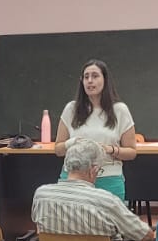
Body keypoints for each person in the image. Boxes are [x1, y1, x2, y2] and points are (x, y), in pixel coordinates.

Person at [32, 137, 150, 241]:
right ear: (93, 169)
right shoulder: (106, 200)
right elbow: (143, 234)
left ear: (67, 167)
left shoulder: (41, 195)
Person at [53, 59, 137, 201]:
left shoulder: (120, 110)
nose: (90, 81)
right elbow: (58, 150)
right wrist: (71, 143)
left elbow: (131, 152)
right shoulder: (71, 109)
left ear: (105, 80)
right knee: (73, 222)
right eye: (86, 77)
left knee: (110, 223)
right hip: (74, 180)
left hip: (108, 179)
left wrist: (110, 149)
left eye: (95, 76)